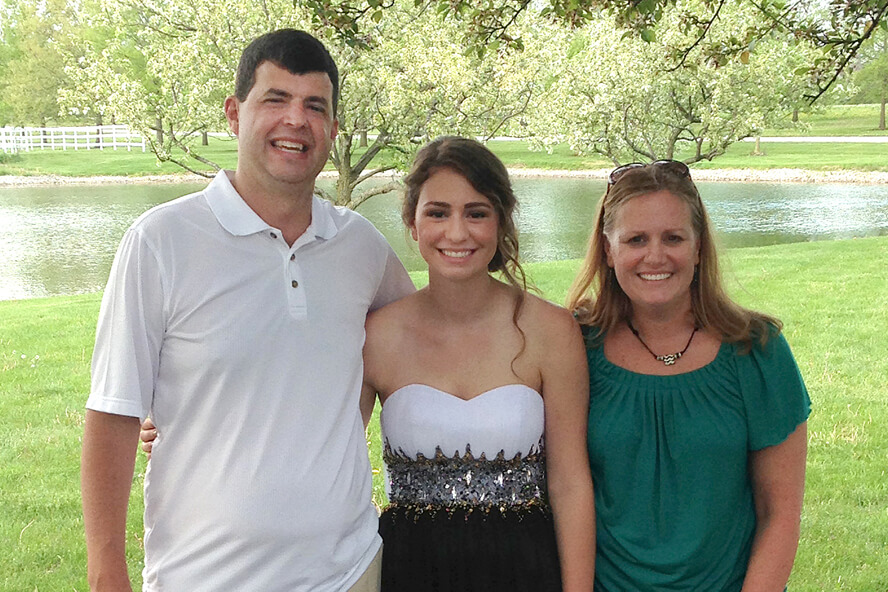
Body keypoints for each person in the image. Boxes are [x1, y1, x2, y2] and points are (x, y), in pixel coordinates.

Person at [82, 29, 414, 591]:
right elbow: (114, 415)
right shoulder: (160, 241)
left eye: (315, 106)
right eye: (275, 99)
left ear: (333, 129)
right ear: (235, 114)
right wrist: (106, 573)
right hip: (204, 576)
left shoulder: (360, 247)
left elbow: (431, 335)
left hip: (348, 571)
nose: (296, 120)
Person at [360, 136, 596, 591]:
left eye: (476, 212)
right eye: (437, 212)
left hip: (524, 567)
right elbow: (336, 465)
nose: (456, 233)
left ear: (501, 221)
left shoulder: (551, 331)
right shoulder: (379, 335)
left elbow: (570, 482)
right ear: (412, 223)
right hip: (411, 568)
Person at [567, 160, 810, 591]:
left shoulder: (757, 349)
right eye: (636, 239)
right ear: (608, 249)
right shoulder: (572, 345)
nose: (655, 256)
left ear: (699, 248)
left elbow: (780, 513)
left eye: (673, 238)